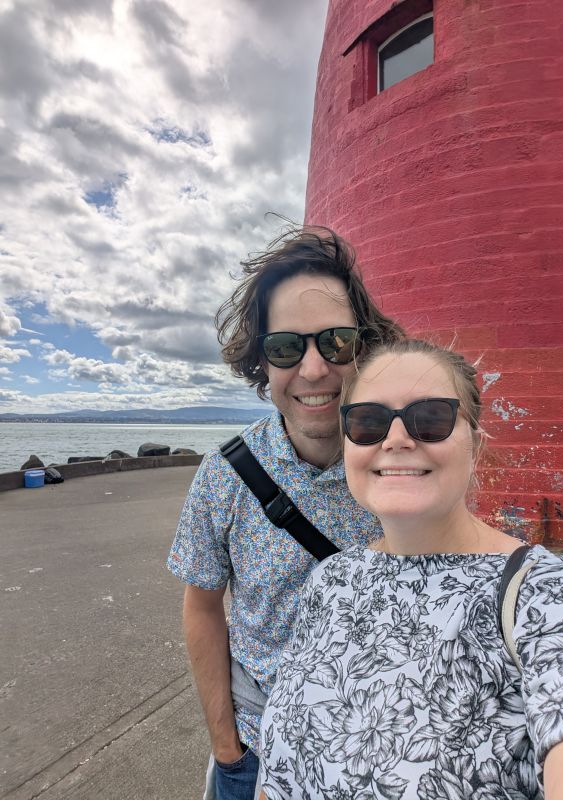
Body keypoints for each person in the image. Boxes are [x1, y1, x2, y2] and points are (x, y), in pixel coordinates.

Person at [259, 338, 563, 799]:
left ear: (475, 445)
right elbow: (277, 773)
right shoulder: (330, 581)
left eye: (431, 418)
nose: (396, 439)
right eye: (368, 422)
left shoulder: (552, 594)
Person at [167, 225, 401, 800]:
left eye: (336, 342)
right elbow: (202, 606)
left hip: (373, 751)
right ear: (262, 363)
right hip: (256, 745)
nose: (315, 369)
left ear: (362, 347)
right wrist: (228, 749)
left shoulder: (407, 465)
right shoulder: (224, 475)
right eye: (286, 347)